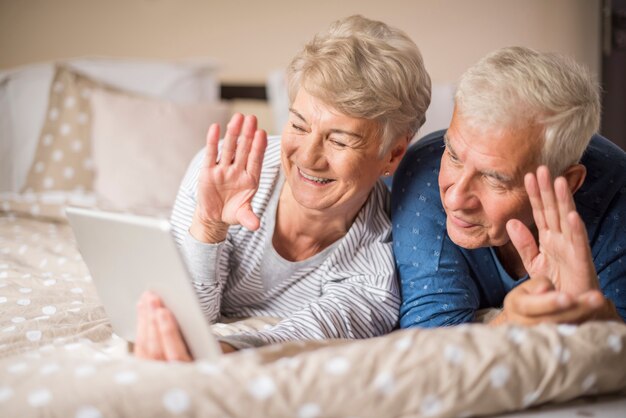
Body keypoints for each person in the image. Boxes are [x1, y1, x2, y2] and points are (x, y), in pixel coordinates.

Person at [133, 15, 432, 360]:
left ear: (393, 155)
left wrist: (225, 350)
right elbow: (183, 316)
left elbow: (298, 338)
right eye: (299, 125)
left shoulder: (375, 271)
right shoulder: (222, 174)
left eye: (339, 140)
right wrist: (209, 226)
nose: (307, 157)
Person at [392, 46, 626, 328]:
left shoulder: (618, 203)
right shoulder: (424, 178)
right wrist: (510, 322)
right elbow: (433, 348)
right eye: (453, 155)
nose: (454, 199)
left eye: (494, 178)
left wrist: (598, 320)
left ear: (565, 182)